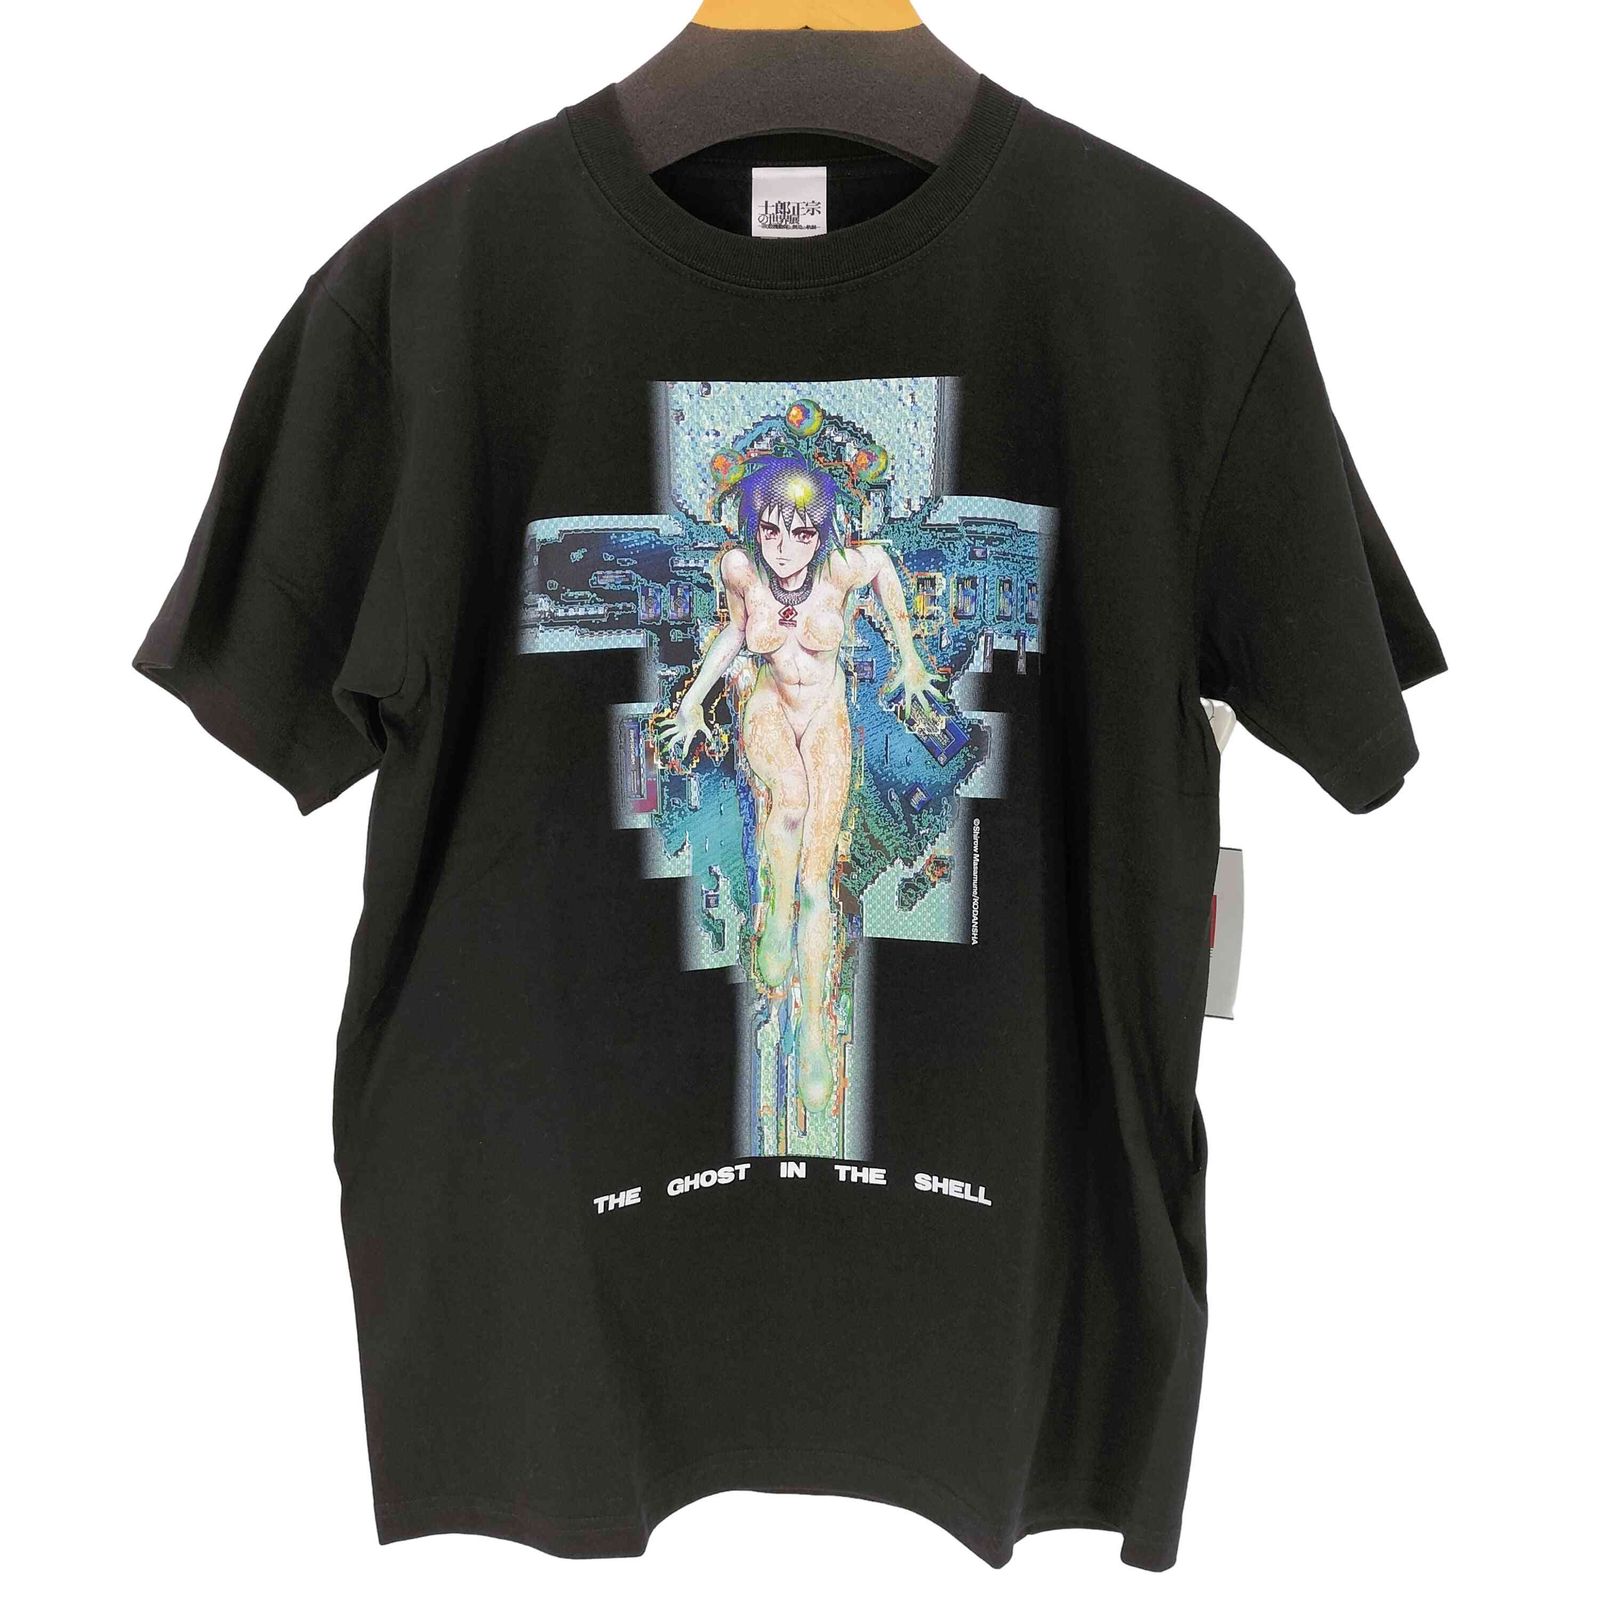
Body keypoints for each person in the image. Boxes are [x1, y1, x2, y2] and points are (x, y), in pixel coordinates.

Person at [660, 433, 945, 1122]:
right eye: (771, 529)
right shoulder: (739, 570)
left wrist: (909, 655)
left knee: (820, 880)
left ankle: (816, 1029)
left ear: (822, 532)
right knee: (786, 802)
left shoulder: (844, 568)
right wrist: (693, 702)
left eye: (801, 531)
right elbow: (735, 633)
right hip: (766, 706)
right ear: (752, 529)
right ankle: (774, 915)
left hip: (826, 716)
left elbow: (884, 568)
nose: (785, 547)